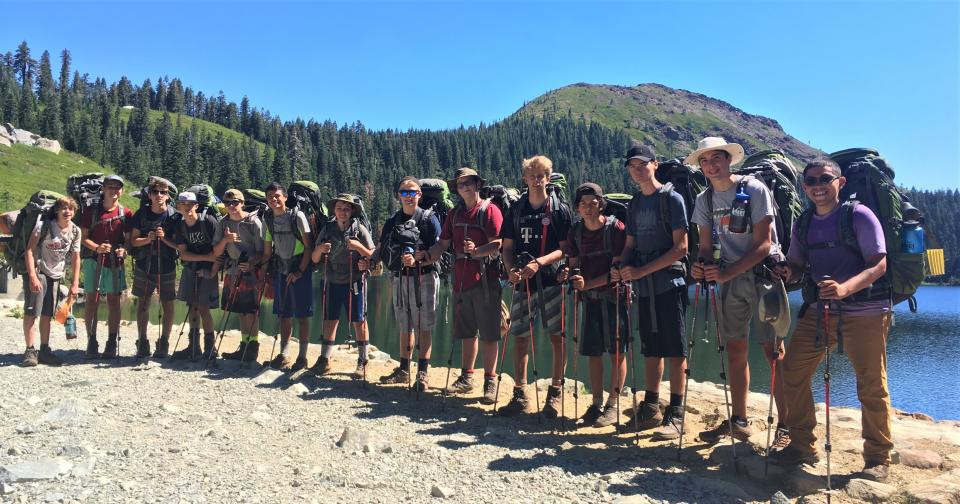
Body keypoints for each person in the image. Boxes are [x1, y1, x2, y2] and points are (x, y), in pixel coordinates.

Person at [772, 159, 893, 481]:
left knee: (871, 383)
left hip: (866, 310)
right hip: (821, 310)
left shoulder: (858, 215)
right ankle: (801, 444)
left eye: (825, 178)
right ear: (804, 187)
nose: (817, 185)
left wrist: (845, 289)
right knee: (792, 370)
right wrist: (788, 272)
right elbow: (797, 263)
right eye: (810, 181)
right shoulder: (804, 221)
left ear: (839, 182)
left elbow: (879, 264)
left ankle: (877, 457)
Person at [688, 137, 788, 444]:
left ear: (729, 159)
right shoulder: (704, 200)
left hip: (762, 277)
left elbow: (764, 243)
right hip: (730, 281)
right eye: (704, 161)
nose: (711, 165)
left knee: (773, 352)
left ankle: (786, 426)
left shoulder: (754, 189)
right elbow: (705, 246)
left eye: (717, 158)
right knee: (734, 349)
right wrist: (701, 266)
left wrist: (727, 272)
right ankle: (739, 420)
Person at [613, 145, 689, 440]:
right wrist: (620, 264)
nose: (637, 170)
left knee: (676, 348)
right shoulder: (634, 203)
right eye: (632, 166)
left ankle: (677, 412)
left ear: (655, 165)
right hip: (645, 287)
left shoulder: (672, 198)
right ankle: (651, 406)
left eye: (642, 164)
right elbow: (631, 243)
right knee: (651, 347)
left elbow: (681, 248)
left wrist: (641, 271)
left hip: (669, 284)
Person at [499, 155, 574, 417]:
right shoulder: (516, 210)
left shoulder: (559, 209)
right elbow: (506, 247)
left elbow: (566, 249)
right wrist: (511, 271)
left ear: (549, 177)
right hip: (523, 283)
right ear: (525, 178)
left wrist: (539, 263)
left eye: (541, 174)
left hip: (552, 280)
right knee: (519, 336)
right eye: (532, 174)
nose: (536, 178)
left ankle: (555, 393)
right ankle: (520, 394)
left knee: (557, 337)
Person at [424, 168, 503, 403]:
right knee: (466, 331)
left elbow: (498, 243)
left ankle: (490, 381)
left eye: (469, 183)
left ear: (478, 185)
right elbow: (443, 243)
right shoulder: (455, 214)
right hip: (461, 280)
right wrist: (427, 257)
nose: (465, 187)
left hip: (486, 281)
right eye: (461, 184)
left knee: (489, 333)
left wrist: (476, 252)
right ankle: (467, 378)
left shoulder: (490, 210)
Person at [564, 183, 628, 427]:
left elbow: (617, 272)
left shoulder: (615, 229)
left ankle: (614, 404)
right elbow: (572, 262)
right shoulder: (577, 231)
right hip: (589, 300)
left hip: (615, 298)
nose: (588, 208)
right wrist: (569, 274)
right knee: (593, 353)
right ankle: (596, 403)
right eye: (583, 204)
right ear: (577, 207)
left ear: (602, 204)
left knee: (616, 353)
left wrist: (586, 284)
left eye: (593, 203)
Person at [374, 177, 441, 391]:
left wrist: (420, 258)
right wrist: (371, 260)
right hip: (400, 277)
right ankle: (404, 369)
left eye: (412, 192)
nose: (409, 196)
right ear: (398, 196)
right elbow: (382, 246)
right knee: (404, 323)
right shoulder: (393, 221)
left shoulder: (430, 219)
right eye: (404, 192)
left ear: (420, 194)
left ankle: (422, 373)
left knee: (424, 325)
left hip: (425, 277)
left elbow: (440, 251)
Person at [311, 193, 374, 378]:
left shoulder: (359, 229)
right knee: (330, 320)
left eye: (346, 209)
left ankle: (363, 361)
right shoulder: (327, 229)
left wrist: (359, 248)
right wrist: (321, 249)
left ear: (352, 211)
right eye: (339, 208)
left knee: (359, 321)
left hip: (355, 281)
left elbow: (372, 255)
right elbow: (315, 258)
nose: (343, 212)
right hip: (332, 281)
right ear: (334, 210)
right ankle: (324, 360)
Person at [21, 196, 81, 367]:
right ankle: (30, 350)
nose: (67, 212)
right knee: (32, 312)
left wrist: (75, 282)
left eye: (71, 209)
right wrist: (32, 276)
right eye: (64, 208)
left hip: (56, 275)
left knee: (47, 314)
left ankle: (45, 349)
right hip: (39, 272)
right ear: (56, 210)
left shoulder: (75, 231)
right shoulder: (44, 226)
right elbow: (30, 251)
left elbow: (76, 257)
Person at [261, 182, 315, 371]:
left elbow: (309, 247)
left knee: (302, 315)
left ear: (285, 197)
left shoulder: (297, 216)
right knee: (284, 314)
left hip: (300, 269)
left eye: (277, 196)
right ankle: (284, 355)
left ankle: (302, 357)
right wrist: (263, 273)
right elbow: (267, 252)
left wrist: (299, 271)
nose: (273, 199)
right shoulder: (267, 219)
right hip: (280, 270)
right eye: (270, 197)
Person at [79, 174, 132, 359]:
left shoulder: (126, 213)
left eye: (117, 187)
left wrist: (123, 250)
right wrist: (98, 248)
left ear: (122, 191)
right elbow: (84, 238)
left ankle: (111, 341)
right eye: (110, 186)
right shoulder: (91, 212)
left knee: (113, 302)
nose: (114, 190)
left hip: (114, 261)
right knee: (91, 301)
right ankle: (91, 340)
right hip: (93, 260)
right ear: (103, 189)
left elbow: (128, 241)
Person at [211, 189, 266, 363]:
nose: (232, 206)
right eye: (228, 203)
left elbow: (262, 251)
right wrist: (226, 240)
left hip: (251, 271)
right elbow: (216, 251)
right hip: (233, 270)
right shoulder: (223, 223)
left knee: (251, 312)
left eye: (235, 202)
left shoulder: (253, 222)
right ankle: (244, 345)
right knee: (240, 312)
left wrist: (251, 264)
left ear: (242, 203)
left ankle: (252, 348)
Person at [129, 176, 178, 358]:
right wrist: (147, 239)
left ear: (167, 195)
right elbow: (133, 241)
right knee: (143, 303)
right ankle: (142, 341)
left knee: (168, 305)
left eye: (163, 192)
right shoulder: (141, 215)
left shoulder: (174, 216)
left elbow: (179, 245)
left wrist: (164, 238)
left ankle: (164, 341)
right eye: (155, 192)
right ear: (149, 195)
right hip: (145, 264)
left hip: (166, 265)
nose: (159, 195)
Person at [170, 191, 220, 360]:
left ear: (196, 206)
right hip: (191, 269)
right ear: (179, 207)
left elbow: (219, 252)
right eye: (184, 204)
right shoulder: (180, 226)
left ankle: (209, 348)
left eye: (190, 204)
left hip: (208, 271)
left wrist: (212, 270)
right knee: (192, 306)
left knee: (203, 307)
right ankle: (193, 346)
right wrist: (205, 257)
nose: (187, 207)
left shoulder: (208, 222)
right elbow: (183, 254)